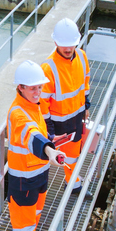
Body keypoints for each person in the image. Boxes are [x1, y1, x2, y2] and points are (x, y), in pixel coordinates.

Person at [6, 60, 66, 231]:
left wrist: (51, 140)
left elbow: (39, 133)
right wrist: (49, 151)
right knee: (23, 224)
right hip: (24, 180)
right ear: (20, 87)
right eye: (33, 88)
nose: (38, 91)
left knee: (35, 214)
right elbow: (30, 135)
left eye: (40, 87)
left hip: (38, 174)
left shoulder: (33, 105)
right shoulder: (17, 113)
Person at [40, 18, 91, 196]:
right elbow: (42, 103)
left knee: (73, 156)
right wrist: (49, 130)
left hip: (76, 120)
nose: (68, 49)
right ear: (55, 42)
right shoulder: (48, 68)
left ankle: (73, 184)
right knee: (46, 158)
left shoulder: (82, 57)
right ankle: (40, 192)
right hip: (57, 125)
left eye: (71, 45)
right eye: (64, 45)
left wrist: (87, 105)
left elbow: (85, 81)